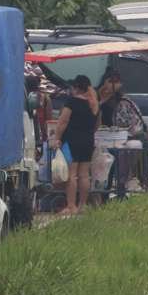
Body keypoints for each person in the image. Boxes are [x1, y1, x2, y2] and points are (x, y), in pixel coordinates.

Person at [51, 75, 98, 215]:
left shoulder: (72, 101)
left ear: (76, 88)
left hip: (72, 141)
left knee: (72, 175)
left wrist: (57, 138)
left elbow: (63, 121)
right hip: (88, 141)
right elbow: (97, 125)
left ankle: (71, 206)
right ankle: (83, 205)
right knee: (84, 175)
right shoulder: (94, 104)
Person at [98, 69, 147, 197]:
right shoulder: (97, 101)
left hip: (123, 139)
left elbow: (134, 126)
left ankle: (122, 182)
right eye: (109, 82)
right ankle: (104, 189)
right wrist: (102, 101)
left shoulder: (125, 102)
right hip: (101, 139)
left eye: (115, 82)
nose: (110, 86)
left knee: (133, 146)